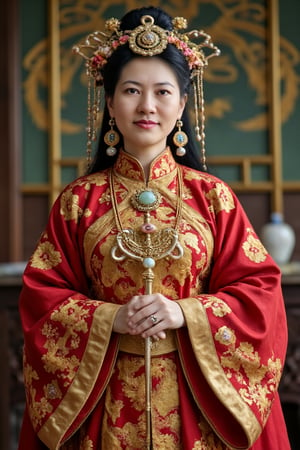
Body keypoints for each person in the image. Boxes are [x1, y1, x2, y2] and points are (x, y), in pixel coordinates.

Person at [18, 6, 291, 450]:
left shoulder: (213, 198)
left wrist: (186, 312)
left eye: (162, 91)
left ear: (181, 104)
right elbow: (41, 300)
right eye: (131, 90)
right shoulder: (77, 202)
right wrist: (111, 317)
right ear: (110, 102)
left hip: (198, 400)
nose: (147, 106)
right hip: (102, 401)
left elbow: (260, 291)